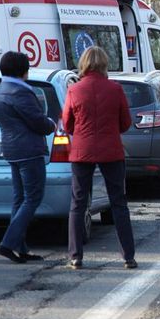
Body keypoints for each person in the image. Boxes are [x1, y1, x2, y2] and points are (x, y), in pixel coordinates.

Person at [62, 46, 137, 269]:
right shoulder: (115, 89)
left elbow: (67, 124)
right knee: (119, 203)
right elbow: (125, 123)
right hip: (111, 150)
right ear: (104, 64)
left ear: (84, 64)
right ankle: (128, 256)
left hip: (82, 151)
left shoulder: (74, 90)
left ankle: (76, 255)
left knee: (78, 203)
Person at [0, 51, 56, 263]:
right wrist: (51, 124)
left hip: (13, 150)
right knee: (33, 198)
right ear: (24, 70)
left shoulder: (1, 89)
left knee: (20, 199)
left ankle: (20, 248)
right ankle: (8, 243)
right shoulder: (20, 92)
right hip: (29, 151)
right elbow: (37, 121)